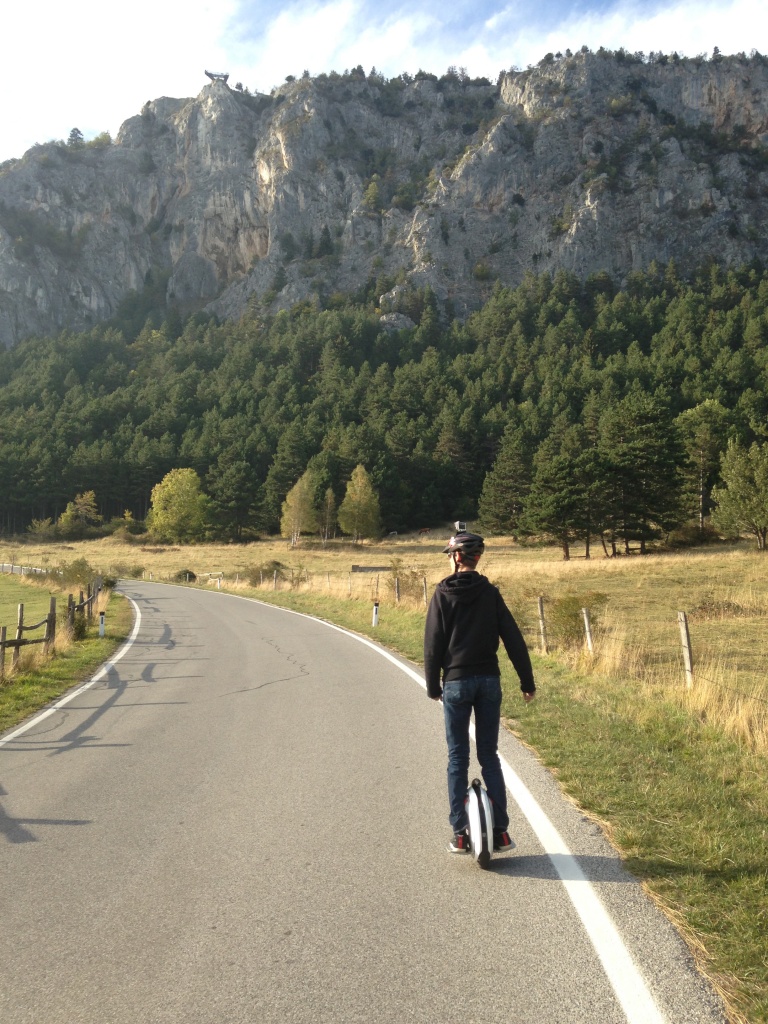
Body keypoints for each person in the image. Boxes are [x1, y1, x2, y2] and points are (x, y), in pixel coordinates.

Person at [424, 531, 536, 854]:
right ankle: (500, 831)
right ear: (475, 558)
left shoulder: (442, 594)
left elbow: (432, 646)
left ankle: (460, 832)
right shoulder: (491, 594)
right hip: (489, 682)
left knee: (458, 757)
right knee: (489, 755)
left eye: (449, 554)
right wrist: (526, 682)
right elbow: (513, 639)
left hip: (457, 684)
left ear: (457, 557)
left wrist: (434, 687)